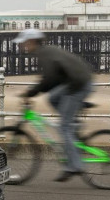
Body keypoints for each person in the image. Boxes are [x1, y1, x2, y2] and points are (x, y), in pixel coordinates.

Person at [12, 29, 93, 182]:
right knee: (52, 97)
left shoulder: (44, 54)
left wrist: (31, 93)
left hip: (78, 85)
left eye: (23, 43)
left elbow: (49, 79)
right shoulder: (46, 51)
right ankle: (73, 123)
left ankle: (75, 166)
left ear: (31, 42)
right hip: (76, 82)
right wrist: (35, 91)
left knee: (64, 127)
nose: (22, 47)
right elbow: (52, 80)